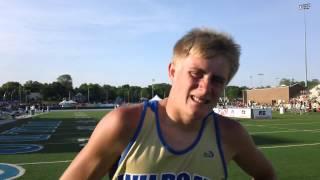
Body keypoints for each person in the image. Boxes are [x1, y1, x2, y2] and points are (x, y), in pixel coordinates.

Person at [61, 27, 276, 180]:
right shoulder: (124, 123)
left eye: (218, 80)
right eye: (196, 74)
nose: (205, 87)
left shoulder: (230, 134)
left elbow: (266, 174)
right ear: (172, 72)